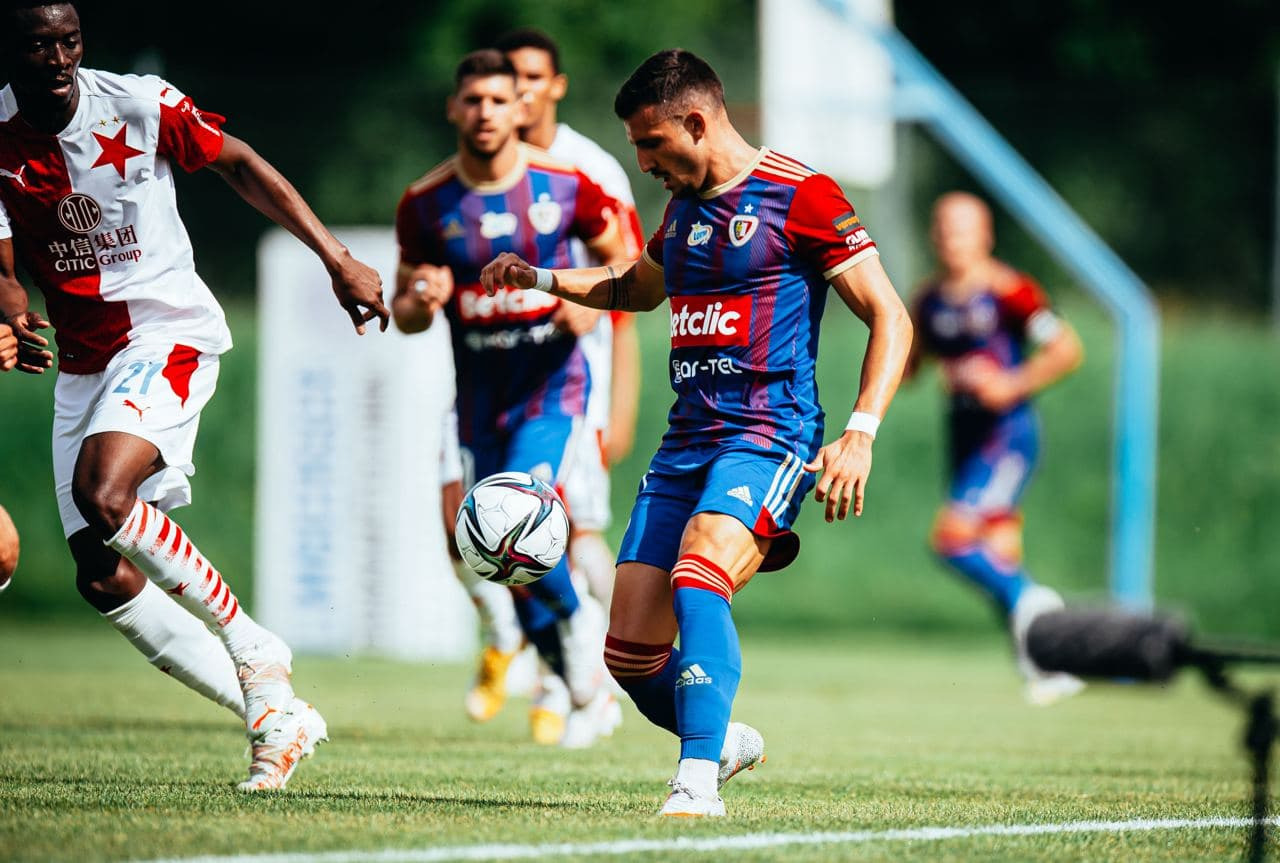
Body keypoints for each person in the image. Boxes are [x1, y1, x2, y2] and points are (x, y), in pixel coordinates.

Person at [480, 49, 913, 816]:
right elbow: (635, 286)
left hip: (771, 433)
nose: (643, 163)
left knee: (699, 572)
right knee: (628, 653)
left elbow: (890, 314)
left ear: (697, 121)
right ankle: (721, 738)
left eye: (651, 143)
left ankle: (696, 782)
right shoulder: (682, 208)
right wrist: (541, 278)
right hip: (685, 444)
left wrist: (860, 431)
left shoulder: (801, 194)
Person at [0, 2, 389, 790]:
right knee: (100, 574)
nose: (60, 59)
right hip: (84, 359)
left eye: (71, 40)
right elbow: (4, 268)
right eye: (39, 45)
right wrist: (9, 314)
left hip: (165, 331)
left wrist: (336, 257)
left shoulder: (138, 103)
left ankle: (254, 646)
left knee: (104, 495)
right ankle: (275, 714)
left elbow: (239, 163)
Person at [393, 49, 631, 749]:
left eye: (499, 99)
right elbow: (405, 310)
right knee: (488, 552)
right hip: (479, 398)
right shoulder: (426, 202)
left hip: (552, 389)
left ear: (520, 106)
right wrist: (420, 299)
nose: (486, 112)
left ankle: (582, 638)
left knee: (520, 517)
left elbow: (627, 265)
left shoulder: (567, 185)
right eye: (473, 100)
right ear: (453, 108)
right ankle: (576, 663)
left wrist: (590, 302)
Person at [906, 191, 1085, 706]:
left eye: (962, 228)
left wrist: (1009, 383)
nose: (951, 238)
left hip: (1006, 437)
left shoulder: (1011, 292)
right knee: (998, 555)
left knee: (952, 539)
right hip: (963, 439)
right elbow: (909, 364)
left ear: (985, 236)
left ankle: (1039, 604)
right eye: (943, 228)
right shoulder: (929, 300)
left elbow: (1066, 348)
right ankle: (1051, 666)